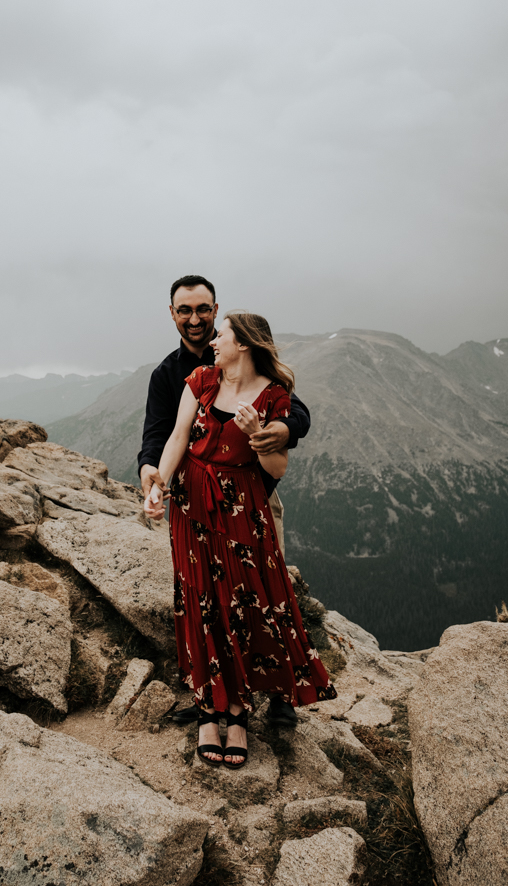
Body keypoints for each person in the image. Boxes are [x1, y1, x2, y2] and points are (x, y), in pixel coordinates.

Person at [144, 311, 336, 769]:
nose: (214, 342)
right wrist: (160, 484)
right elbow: (175, 437)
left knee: (243, 603)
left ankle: (238, 713)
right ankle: (209, 709)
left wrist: (257, 436)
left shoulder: (274, 397)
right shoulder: (201, 380)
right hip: (191, 507)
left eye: (222, 335)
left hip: (242, 513)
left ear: (244, 344)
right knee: (200, 602)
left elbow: (278, 471)